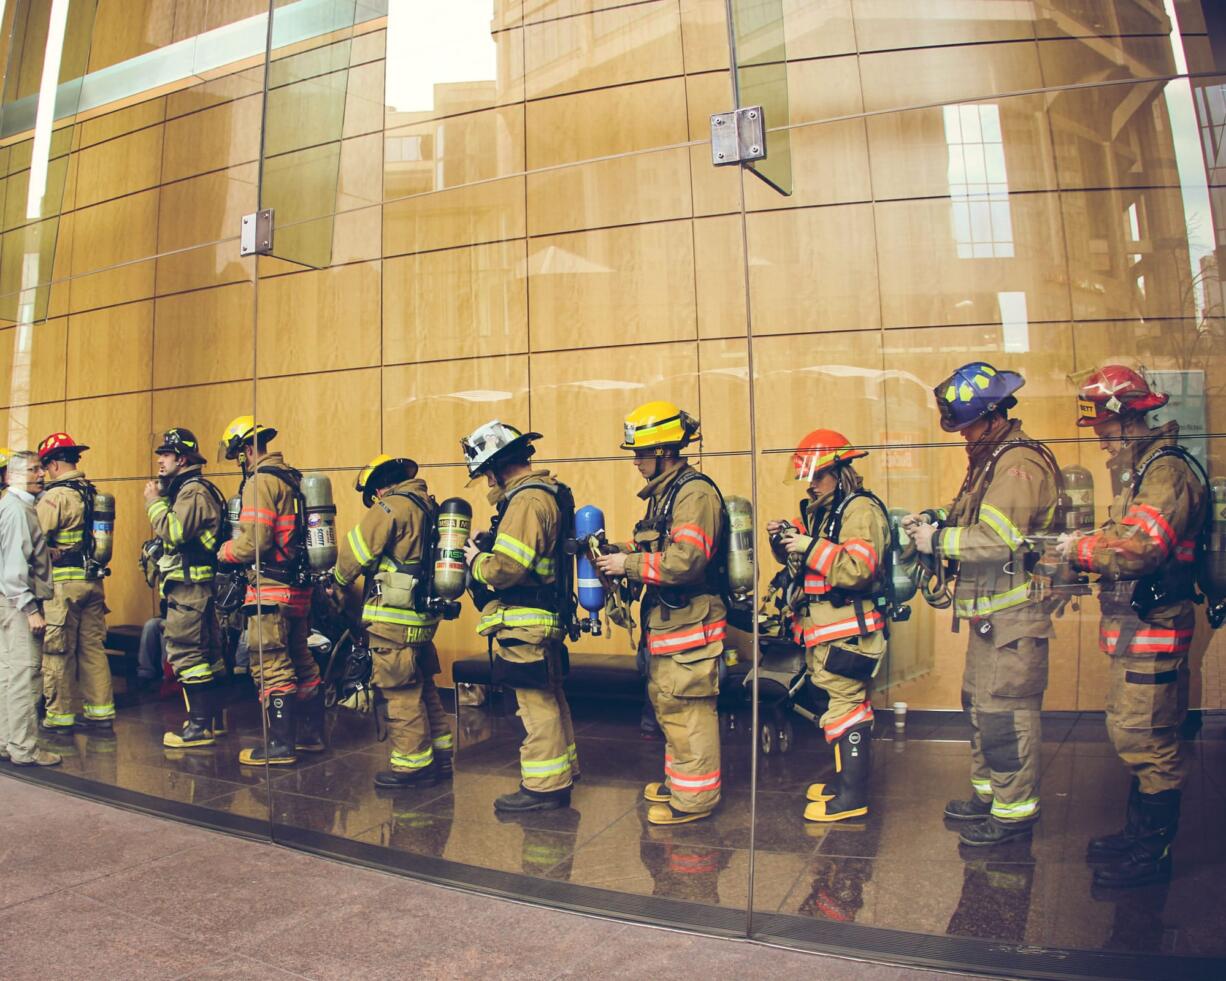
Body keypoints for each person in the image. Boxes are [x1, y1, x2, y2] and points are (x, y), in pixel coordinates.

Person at [1056, 366, 1206, 888]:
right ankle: (1137, 836)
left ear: (1126, 418)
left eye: (1101, 424)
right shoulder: (1143, 472)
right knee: (1132, 731)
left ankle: (1152, 855)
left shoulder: (1165, 474)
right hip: (1139, 633)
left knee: (1151, 741)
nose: (1098, 435)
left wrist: (1076, 550)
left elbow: (1140, 549)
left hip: (1156, 630)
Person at [902, 363, 1058, 846]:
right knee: (980, 708)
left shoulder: (1017, 464)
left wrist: (938, 540)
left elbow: (994, 539)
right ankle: (990, 797)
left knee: (1005, 717)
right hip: (991, 619)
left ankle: (1013, 815)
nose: (962, 435)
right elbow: (968, 518)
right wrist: (933, 521)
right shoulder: (990, 460)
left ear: (992, 416)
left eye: (966, 425)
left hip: (1014, 623)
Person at [595, 401, 725, 826]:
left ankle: (695, 800)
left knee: (688, 709)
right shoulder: (667, 495)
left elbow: (686, 560)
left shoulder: (694, 493)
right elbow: (659, 549)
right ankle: (681, 783)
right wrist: (621, 551)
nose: (636, 461)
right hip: (672, 622)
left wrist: (626, 566)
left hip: (691, 620)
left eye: (641, 453)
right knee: (671, 705)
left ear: (665, 451)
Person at [767, 430, 889, 823]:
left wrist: (808, 547)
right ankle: (843, 786)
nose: (811, 484)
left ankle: (852, 797)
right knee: (838, 707)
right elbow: (817, 566)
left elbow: (858, 568)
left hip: (849, 634)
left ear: (840, 471)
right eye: (808, 476)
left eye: (818, 475)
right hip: (829, 631)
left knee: (848, 709)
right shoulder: (826, 510)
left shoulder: (860, 510)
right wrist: (787, 542)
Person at [461, 421, 577, 812]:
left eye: (485, 473)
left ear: (496, 465)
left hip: (526, 619)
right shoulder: (545, 494)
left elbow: (507, 568)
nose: (487, 481)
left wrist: (477, 561)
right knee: (548, 695)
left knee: (533, 703)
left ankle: (545, 786)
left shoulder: (526, 500)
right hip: (541, 614)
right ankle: (563, 772)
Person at [333, 454, 454, 788]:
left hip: (393, 619)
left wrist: (337, 582)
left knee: (399, 692)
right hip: (421, 618)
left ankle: (412, 766)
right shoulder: (429, 505)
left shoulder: (391, 508)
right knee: (424, 688)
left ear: (378, 489)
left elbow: (354, 554)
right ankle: (441, 758)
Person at [217, 417, 322, 766]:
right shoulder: (291, 477)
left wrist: (226, 551)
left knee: (270, 665)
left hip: (270, 591)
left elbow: (256, 542)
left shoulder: (259, 482)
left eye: (238, 455)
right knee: (301, 660)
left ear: (247, 450)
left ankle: (279, 745)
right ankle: (311, 736)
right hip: (297, 589)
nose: (240, 462)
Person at [144, 428, 227, 749]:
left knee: (186, 652)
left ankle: (199, 726)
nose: (160, 460)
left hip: (190, 589)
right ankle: (214, 720)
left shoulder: (192, 491)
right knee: (209, 654)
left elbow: (174, 532)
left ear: (181, 458)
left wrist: (153, 502)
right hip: (196, 587)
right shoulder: (188, 489)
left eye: (165, 455)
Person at [36, 432, 114, 733]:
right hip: (93, 585)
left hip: (63, 589)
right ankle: (101, 714)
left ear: (55, 464)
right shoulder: (92, 493)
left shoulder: (56, 497)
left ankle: (59, 717)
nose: (42, 474)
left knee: (57, 652)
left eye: (44, 467)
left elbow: (33, 542)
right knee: (93, 650)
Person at [0, 451, 59, 766]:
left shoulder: (9, 505)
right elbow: (12, 569)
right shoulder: (20, 511)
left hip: (4, 602)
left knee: (8, 675)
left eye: (40, 468)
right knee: (25, 676)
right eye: (32, 470)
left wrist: (45, 553)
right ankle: (24, 749)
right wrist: (31, 609)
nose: (40, 474)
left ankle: (6, 742)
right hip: (18, 603)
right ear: (11, 476)